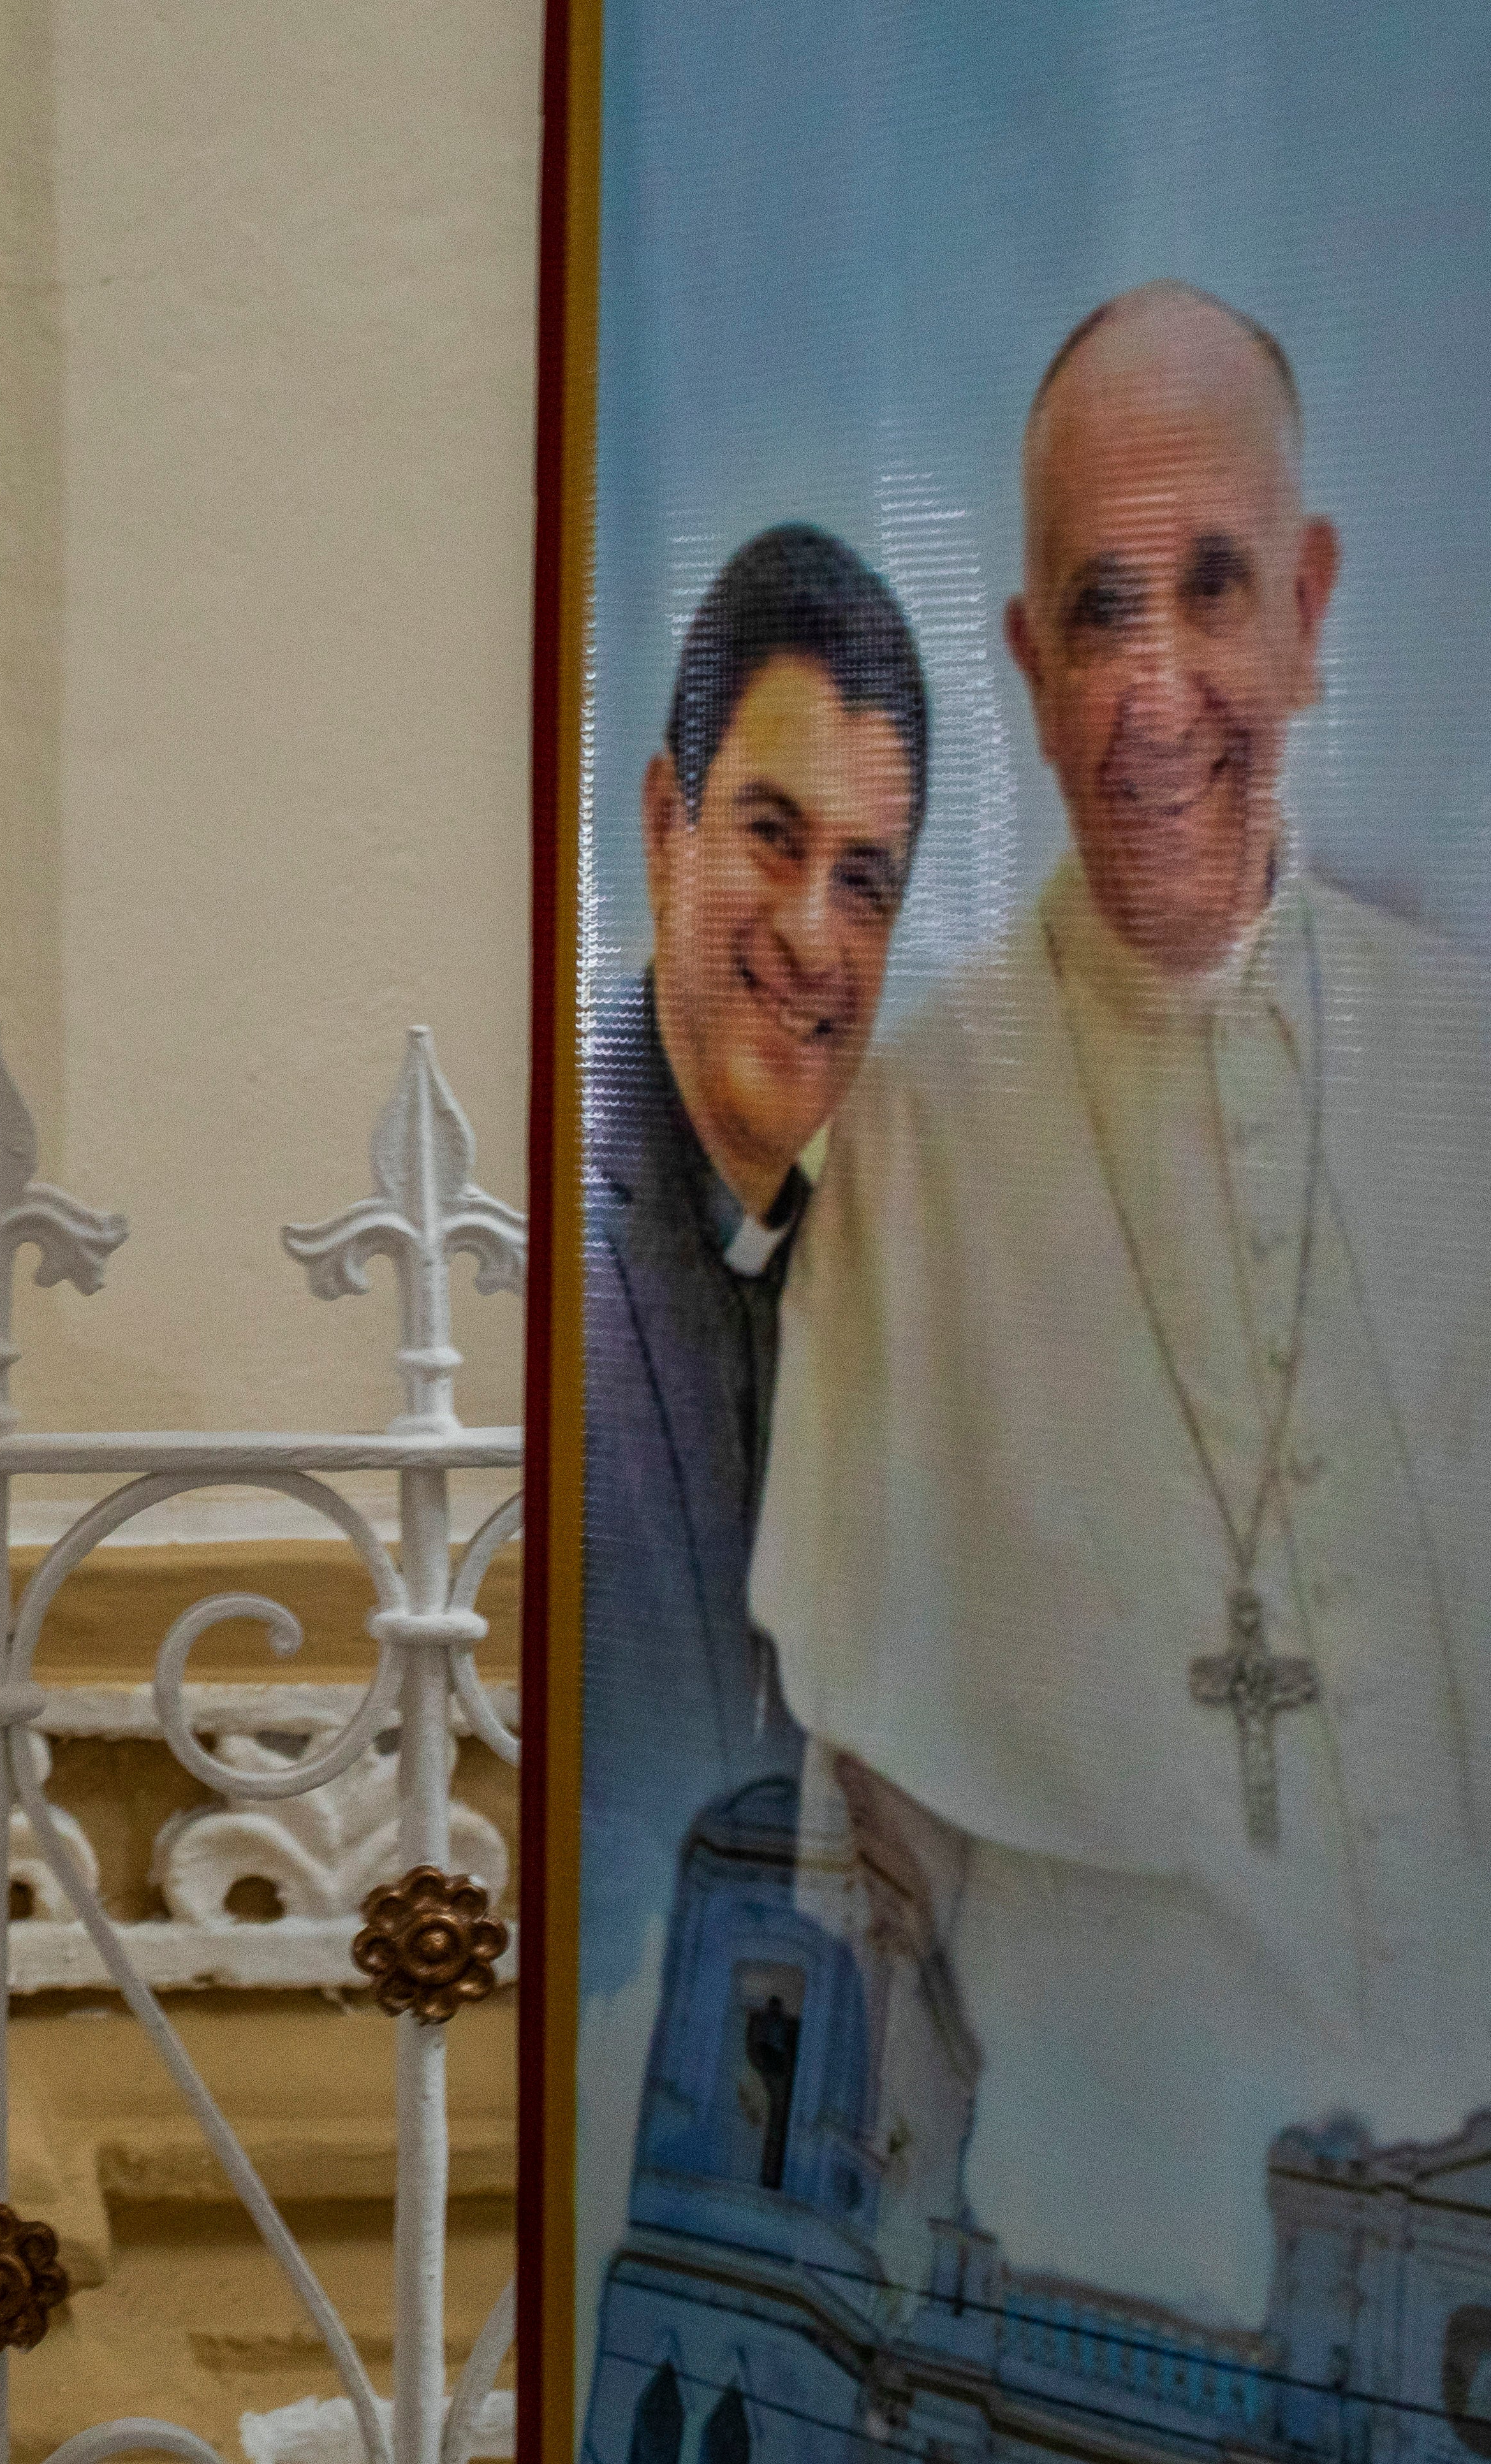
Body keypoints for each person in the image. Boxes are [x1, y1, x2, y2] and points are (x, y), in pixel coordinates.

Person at [743, 283, 1491, 2322]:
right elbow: (871, 1842)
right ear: (1026, 664)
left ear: (1307, 608)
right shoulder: (910, 1142)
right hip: (1088, 2255)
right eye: (1100, 612)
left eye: (1212, 590)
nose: (1159, 692)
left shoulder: (1489, 1078)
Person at [580, 523, 927, 2005]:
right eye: (772, 835)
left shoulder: (863, 1284)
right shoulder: (549, 1243)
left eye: (864, 882)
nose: (808, 933)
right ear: (665, 824)